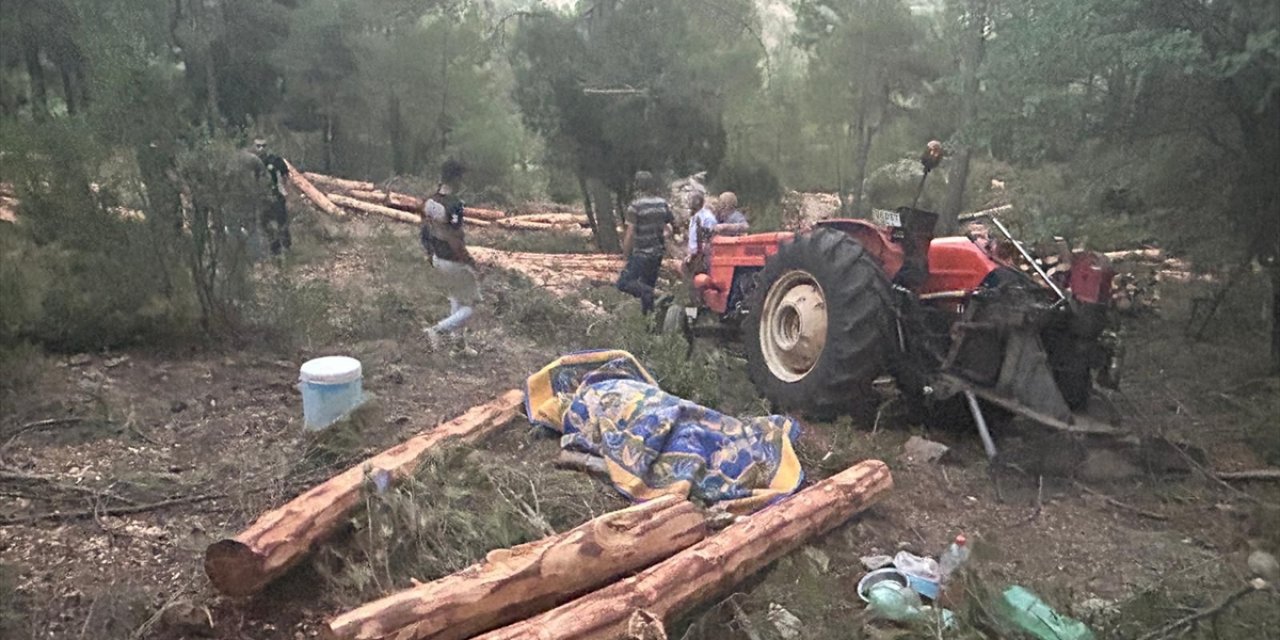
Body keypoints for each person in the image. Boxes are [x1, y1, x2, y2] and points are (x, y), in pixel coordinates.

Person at [420, 159, 480, 349]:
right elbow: (455, 239)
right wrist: (471, 263)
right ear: (456, 178)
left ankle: (458, 345)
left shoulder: (430, 201)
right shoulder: (455, 205)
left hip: (438, 258)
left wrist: (430, 254)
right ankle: (437, 330)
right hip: (454, 260)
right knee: (472, 305)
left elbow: (424, 231)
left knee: (456, 298)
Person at [616, 170, 675, 314]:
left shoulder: (635, 206)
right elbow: (672, 225)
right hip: (657, 253)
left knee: (624, 283)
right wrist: (665, 236)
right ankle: (650, 326)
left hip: (641, 253)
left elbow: (630, 233)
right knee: (646, 288)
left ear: (637, 186)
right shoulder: (662, 203)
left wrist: (625, 254)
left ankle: (660, 294)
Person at [252, 138, 291, 255]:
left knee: (282, 222)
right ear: (253, 146)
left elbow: (286, 176)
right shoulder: (251, 161)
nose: (261, 149)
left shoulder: (275, 160)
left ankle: (287, 249)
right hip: (260, 198)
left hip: (275, 195)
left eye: (263, 146)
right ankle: (274, 251)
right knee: (265, 224)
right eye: (258, 146)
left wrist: (284, 190)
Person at [683, 193, 717, 277]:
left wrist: (699, 255)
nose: (689, 203)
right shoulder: (694, 216)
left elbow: (708, 238)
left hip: (702, 256)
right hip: (693, 256)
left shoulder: (707, 218)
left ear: (698, 203)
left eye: (691, 201)